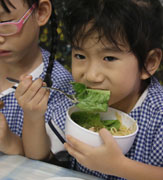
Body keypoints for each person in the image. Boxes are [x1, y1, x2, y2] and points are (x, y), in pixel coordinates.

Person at [0, 0, 73, 156]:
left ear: (41, 12)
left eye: (6, 22)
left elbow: (51, 166)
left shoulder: (60, 88)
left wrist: (11, 143)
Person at [62, 0, 163, 179]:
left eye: (109, 58)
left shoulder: (158, 116)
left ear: (149, 63)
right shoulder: (77, 103)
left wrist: (120, 167)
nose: (91, 76)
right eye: (80, 56)